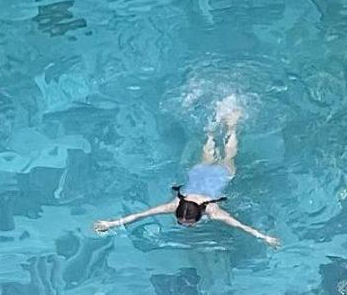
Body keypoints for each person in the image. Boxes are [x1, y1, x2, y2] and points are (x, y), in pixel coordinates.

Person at [92, 96, 280, 248]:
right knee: (212, 156)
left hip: (220, 175)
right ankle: (220, 127)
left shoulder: (212, 211)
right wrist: (111, 224)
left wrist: (264, 238)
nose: (183, 224)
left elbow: (240, 226)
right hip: (200, 173)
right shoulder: (177, 203)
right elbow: (141, 215)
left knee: (227, 158)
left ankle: (229, 127)